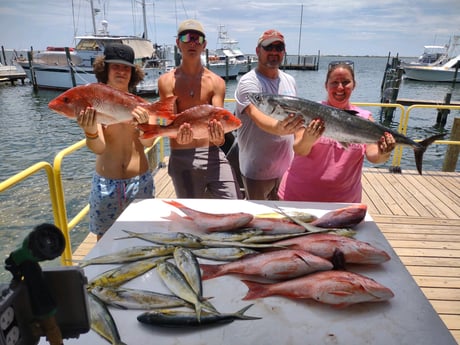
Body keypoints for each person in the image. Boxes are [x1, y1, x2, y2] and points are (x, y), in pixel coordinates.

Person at [278, 61, 396, 203]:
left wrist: (385, 152)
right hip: (298, 197)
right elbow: (299, 149)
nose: (340, 87)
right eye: (334, 82)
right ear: (326, 85)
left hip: (343, 202)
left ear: (354, 85)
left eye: (346, 82)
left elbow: (374, 157)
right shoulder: (310, 111)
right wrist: (308, 139)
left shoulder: (364, 119)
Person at [77, 43, 155, 239]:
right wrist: (90, 131)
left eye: (126, 67)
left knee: (143, 239)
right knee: (104, 242)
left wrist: (144, 127)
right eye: (116, 66)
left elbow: (148, 144)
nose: (121, 71)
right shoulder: (95, 104)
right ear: (105, 69)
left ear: (133, 72)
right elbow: (99, 147)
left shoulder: (145, 106)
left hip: (140, 182)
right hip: (106, 185)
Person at [157, 19, 241, 199]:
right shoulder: (166, 81)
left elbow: (217, 118)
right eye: (187, 37)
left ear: (205, 45)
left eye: (198, 39)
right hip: (182, 155)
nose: (193, 42)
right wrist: (168, 132)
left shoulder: (216, 82)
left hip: (213, 154)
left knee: (234, 203)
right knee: (191, 215)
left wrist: (219, 136)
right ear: (178, 43)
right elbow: (170, 120)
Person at [234, 29, 304, 200]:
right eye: (268, 47)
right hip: (256, 172)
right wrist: (281, 128)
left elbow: (300, 124)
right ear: (258, 51)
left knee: (285, 222)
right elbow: (257, 117)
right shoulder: (248, 83)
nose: (274, 52)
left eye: (279, 47)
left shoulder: (290, 81)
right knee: (259, 222)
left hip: (287, 170)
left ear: (284, 52)